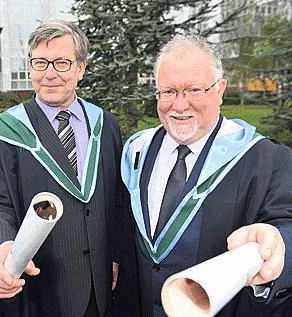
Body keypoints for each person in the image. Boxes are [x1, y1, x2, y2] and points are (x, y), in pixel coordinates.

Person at [120, 34, 292, 316]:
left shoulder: (264, 158)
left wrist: (277, 242)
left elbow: (286, 225)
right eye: (168, 91)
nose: (179, 105)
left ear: (220, 90)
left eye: (193, 90)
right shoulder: (137, 150)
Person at [0, 20, 126, 317]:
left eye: (62, 63)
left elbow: (117, 198)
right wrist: (2, 246)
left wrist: (115, 256)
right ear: (30, 66)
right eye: (40, 63)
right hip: (39, 290)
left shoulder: (106, 125)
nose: (49, 73)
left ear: (81, 67)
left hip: (101, 287)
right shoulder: (5, 133)